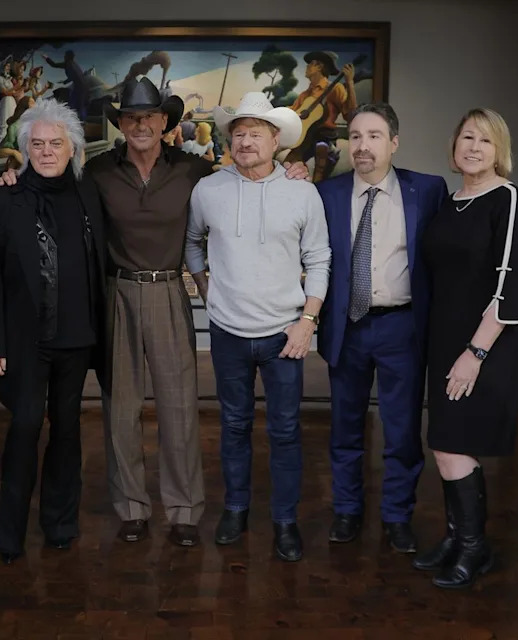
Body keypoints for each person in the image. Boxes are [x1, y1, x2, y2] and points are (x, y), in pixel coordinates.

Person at [0, 76, 309, 548]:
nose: (140, 124)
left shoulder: (193, 170)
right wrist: (12, 177)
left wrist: (293, 168)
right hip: (116, 292)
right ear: (120, 123)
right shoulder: (97, 172)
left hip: (167, 290)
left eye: (149, 116)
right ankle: (132, 509)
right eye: (131, 117)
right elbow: (48, 185)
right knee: (120, 408)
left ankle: (184, 510)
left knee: (179, 406)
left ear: (165, 122)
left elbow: (247, 176)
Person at [185, 93, 330, 561]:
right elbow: (192, 245)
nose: (246, 141)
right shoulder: (209, 189)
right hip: (227, 333)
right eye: (239, 133)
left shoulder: (301, 190)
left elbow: (320, 259)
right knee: (233, 426)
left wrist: (307, 322)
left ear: (276, 140)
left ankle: (285, 521)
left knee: (286, 431)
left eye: (256, 133)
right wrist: (210, 294)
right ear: (229, 140)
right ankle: (236, 509)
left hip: (285, 334)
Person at [0, 99, 108, 564]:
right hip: (23, 342)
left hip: (78, 338)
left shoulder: (90, 193)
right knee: (25, 426)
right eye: (38, 144)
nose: (47, 151)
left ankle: (60, 524)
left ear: (72, 149)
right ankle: (9, 532)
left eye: (56, 143)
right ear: (23, 148)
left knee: (68, 432)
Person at [316, 103, 448, 553]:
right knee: (345, 428)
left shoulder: (428, 191)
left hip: (402, 328)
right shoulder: (326, 194)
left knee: (403, 430)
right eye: (354, 136)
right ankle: (348, 510)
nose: (363, 145)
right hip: (347, 327)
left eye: (374, 136)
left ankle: (396, 516)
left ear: (394, 142)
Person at [416, 108, 518, 589]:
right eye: (467, 137)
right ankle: (456, 538)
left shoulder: (506, 200)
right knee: (447, 446)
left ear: (499, 151)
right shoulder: (450, 201)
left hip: (485, 343)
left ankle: (473, 548)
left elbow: (511, 291)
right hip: (445, 340)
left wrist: (476, 353)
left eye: (485, 141)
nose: (474, 147)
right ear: (454, 145)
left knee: (452, 445)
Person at [289, 51, 357, 182]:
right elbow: (292, 111)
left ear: (319, 67)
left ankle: (318, 189)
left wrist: (350, 83)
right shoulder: (305, 94)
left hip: (325, 135)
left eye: (310, 64)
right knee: (289, 162)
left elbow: (350, 115)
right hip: (306, 137)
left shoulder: (336, 88)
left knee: (322, 151)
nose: (307, 67)